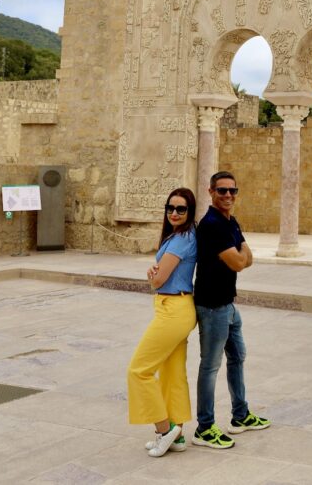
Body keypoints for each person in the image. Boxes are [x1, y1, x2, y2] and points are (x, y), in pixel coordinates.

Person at [191, 171, 269, 449]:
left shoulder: (230, 221)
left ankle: (240, 415)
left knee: (237, 357)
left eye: (232, 191)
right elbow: (239, 262)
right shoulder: (212, 224)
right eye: (222, 190)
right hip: (212, 306)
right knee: (210, 366)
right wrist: (240, 255)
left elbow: (249, 257)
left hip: (228, 304)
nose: (228, 195)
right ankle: (204, 427)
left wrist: (240, 255)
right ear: (210, 191)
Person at [127, 187, 199, 457]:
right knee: (172, 374)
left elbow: (158, 280)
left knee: (139, 370)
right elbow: (160, 274)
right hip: (174, 306)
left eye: (181, 209)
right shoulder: (178, 236)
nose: (174, 213)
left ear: (189, 212)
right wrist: (155, 273)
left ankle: (164, 429)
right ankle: (177, 437)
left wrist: (153, 276)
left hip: (174, 309)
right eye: (170, 208)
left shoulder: (183, 238)